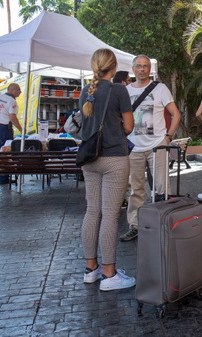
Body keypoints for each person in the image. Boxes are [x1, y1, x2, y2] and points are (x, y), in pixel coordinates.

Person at [79, 48, 135, 291]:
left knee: (92, 212)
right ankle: (109, 274)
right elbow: (129, 126)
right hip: (114, 158)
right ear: (113, 67)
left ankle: (90, 269)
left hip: (90, 158)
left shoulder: (86, 91)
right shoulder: (118, 90)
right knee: (110, 215)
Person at [119, 55, 181, 242]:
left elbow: (176, 114)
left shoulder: (160, 88)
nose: (142, 69)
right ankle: (135, 225)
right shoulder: (125, 91)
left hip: (157, 146)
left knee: (162, 188)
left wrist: (168, 137)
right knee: (135, 190)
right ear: (133, 69)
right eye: (138, 66)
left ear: (149, 69)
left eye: (145, 66)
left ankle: (163, 224)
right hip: (134, 148)